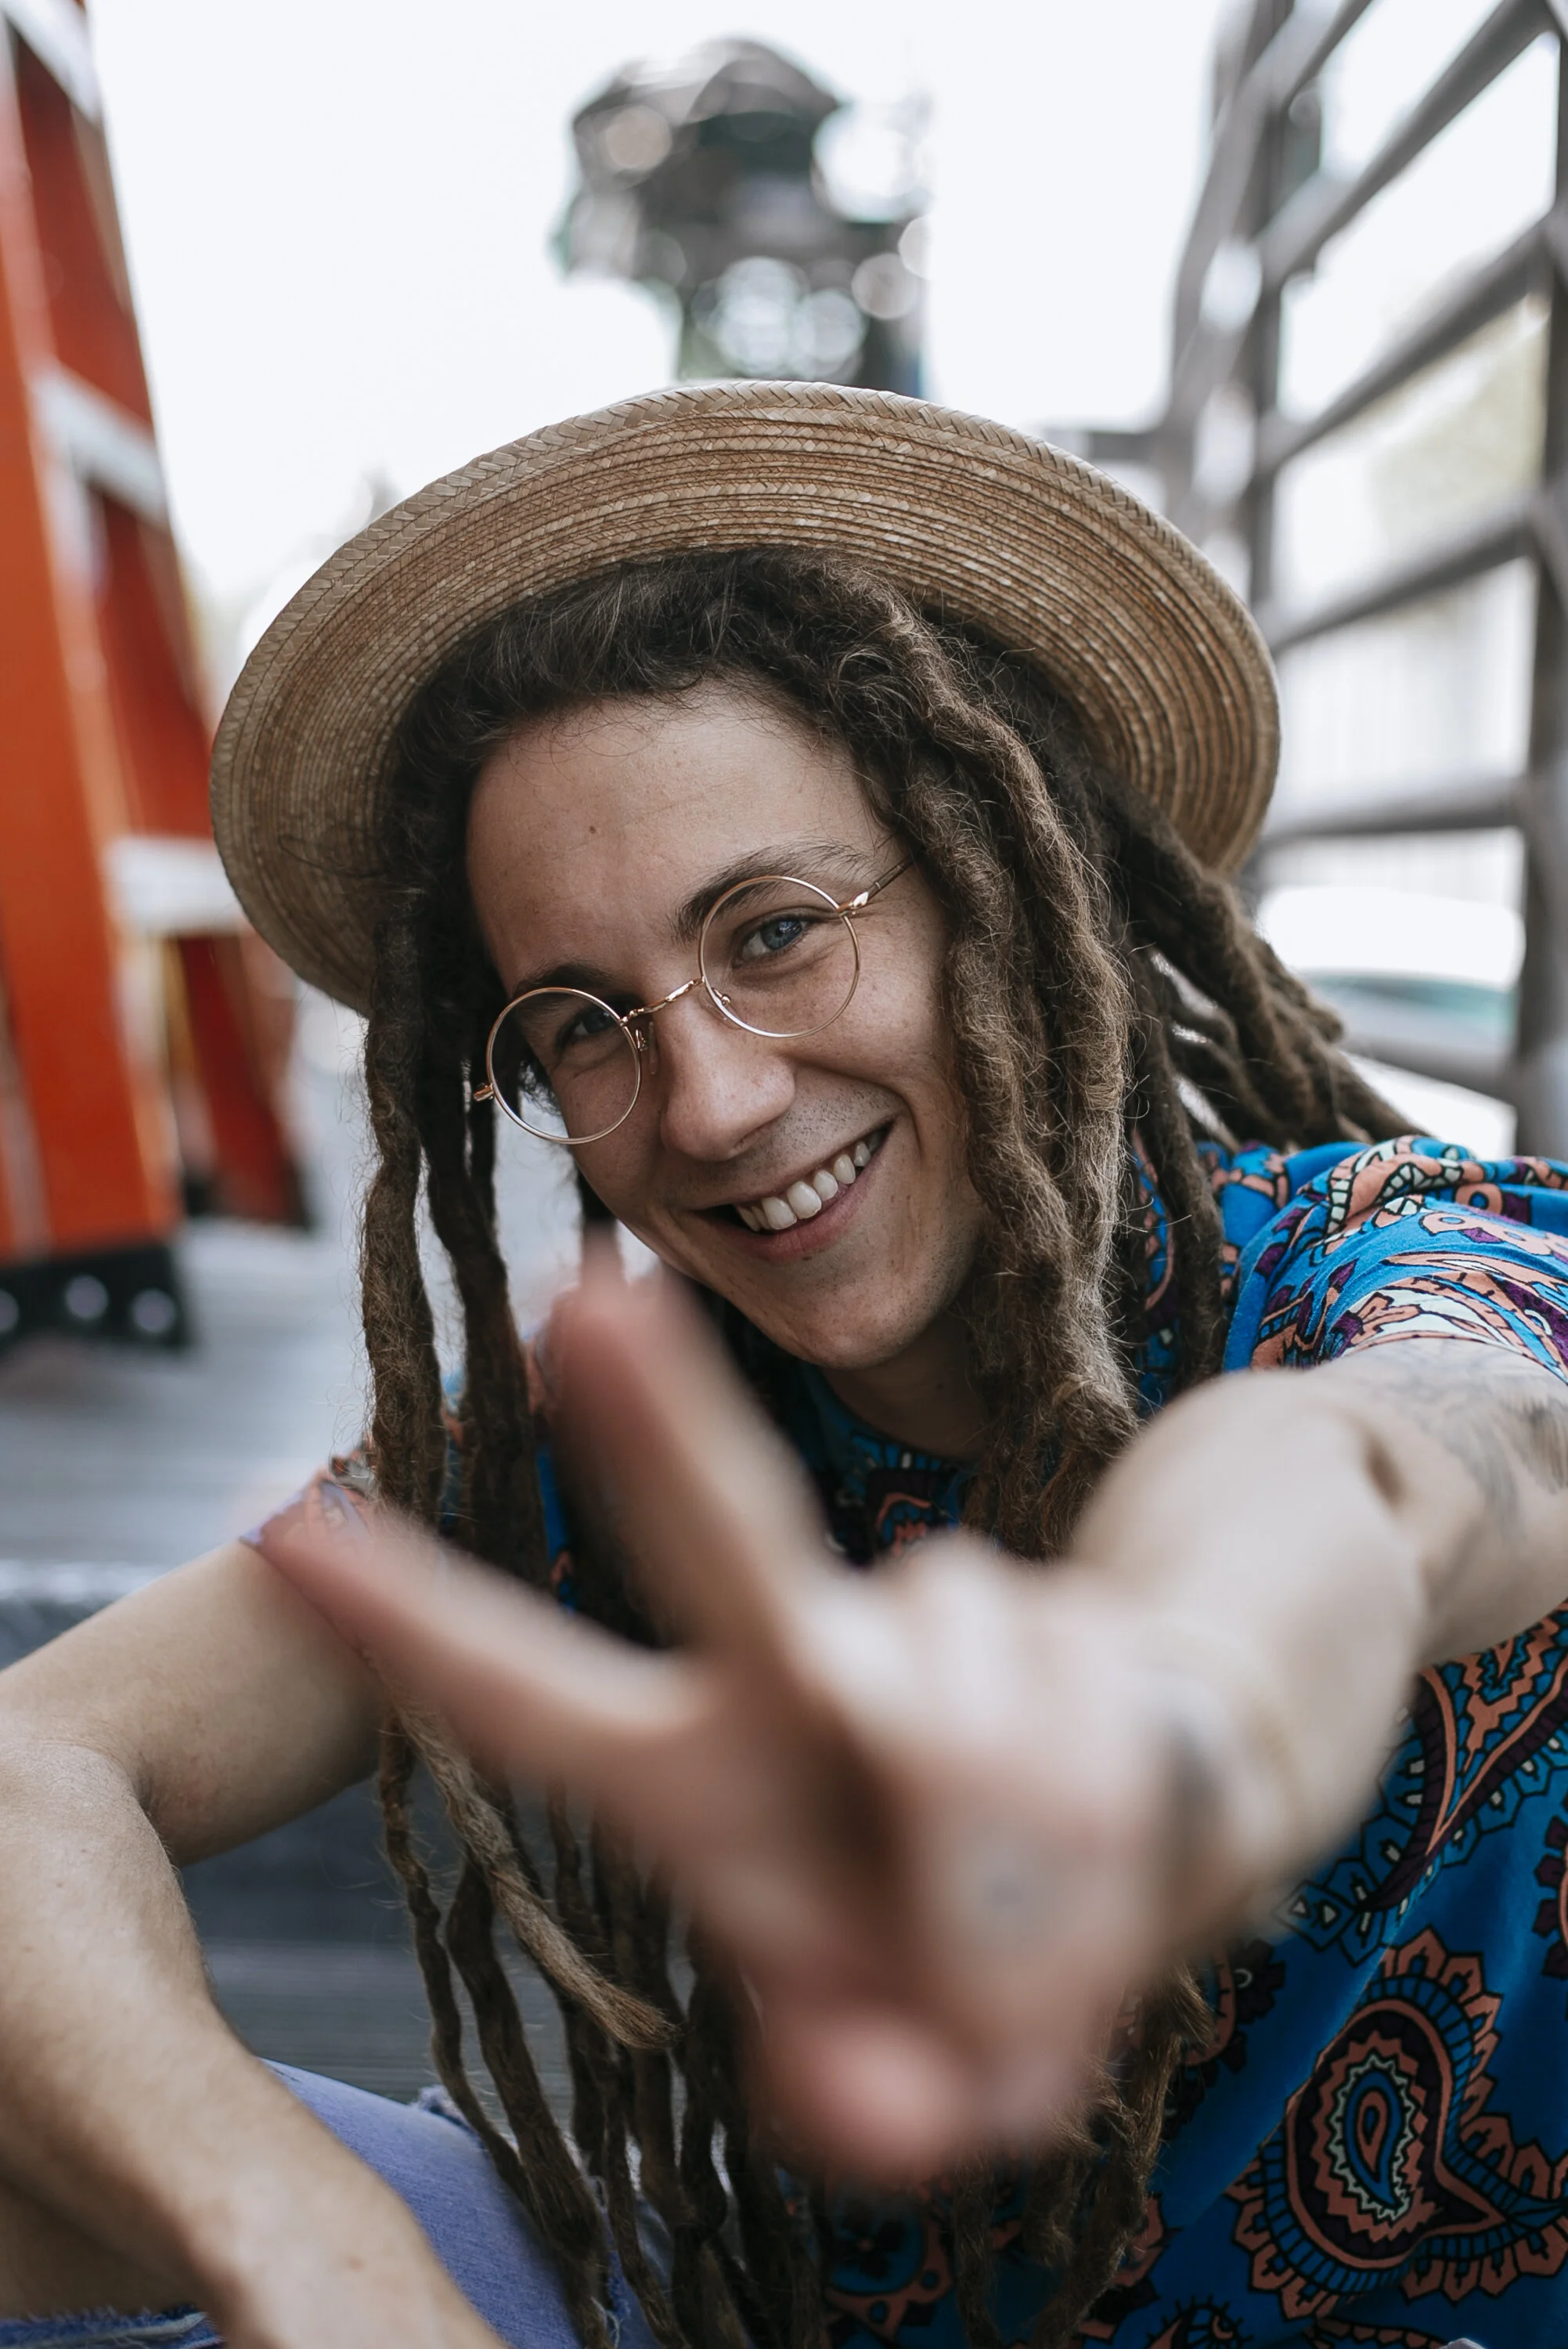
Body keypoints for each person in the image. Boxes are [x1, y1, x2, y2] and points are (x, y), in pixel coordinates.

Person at [0, 384, 1552, 2349]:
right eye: (582, 1022)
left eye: (775, 931)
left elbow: (1396, 1470)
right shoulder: (618, 1448)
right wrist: (296, 2245)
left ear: (1007, 881)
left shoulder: (1404, 1265)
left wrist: (1182, 1707)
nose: (712, 1104)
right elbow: (32, 1763)